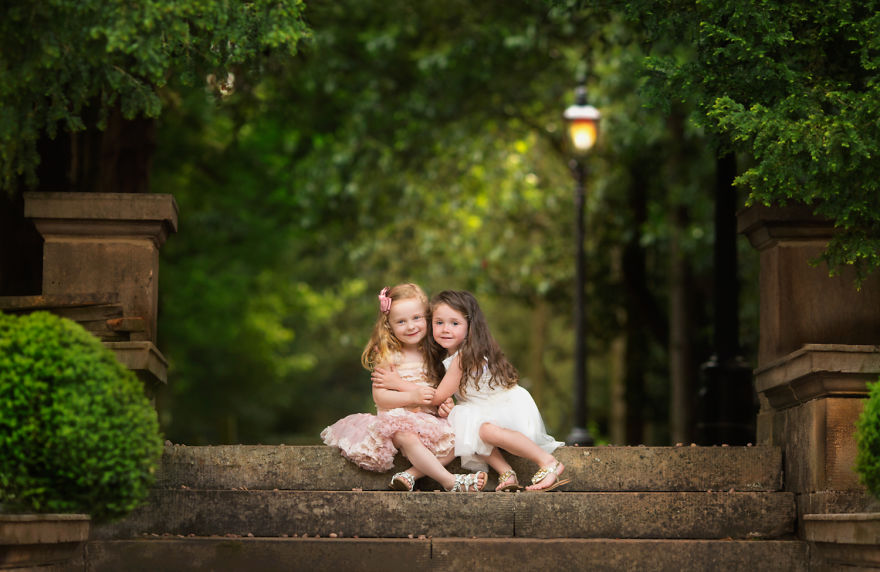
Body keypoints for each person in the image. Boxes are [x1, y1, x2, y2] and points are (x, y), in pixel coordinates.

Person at [374, 289, 567, 492]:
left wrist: (398, 383)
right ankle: (506, 473)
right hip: (479, 408)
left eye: (455, 323)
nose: (446, 329)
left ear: (470, 326)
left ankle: (546, 461)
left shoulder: (463, 357)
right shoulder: (450, 353)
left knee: (479, 427)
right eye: (439, 323)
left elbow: (437, 396)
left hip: (504, 406)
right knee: (466, 422)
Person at [321, 284, 487, 492]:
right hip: (397, 419)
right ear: (388, 324)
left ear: (427, 318)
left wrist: (445, 403)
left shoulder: (434, 352)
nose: (410, 326)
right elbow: (381, 398)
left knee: (462, 434)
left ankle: (410, 474)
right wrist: (413, 396)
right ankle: (449, 481)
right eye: (401, 321)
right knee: (406, 435)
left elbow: (439, 390)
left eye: (417, 318)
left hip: (429, 420)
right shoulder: (388, 354)